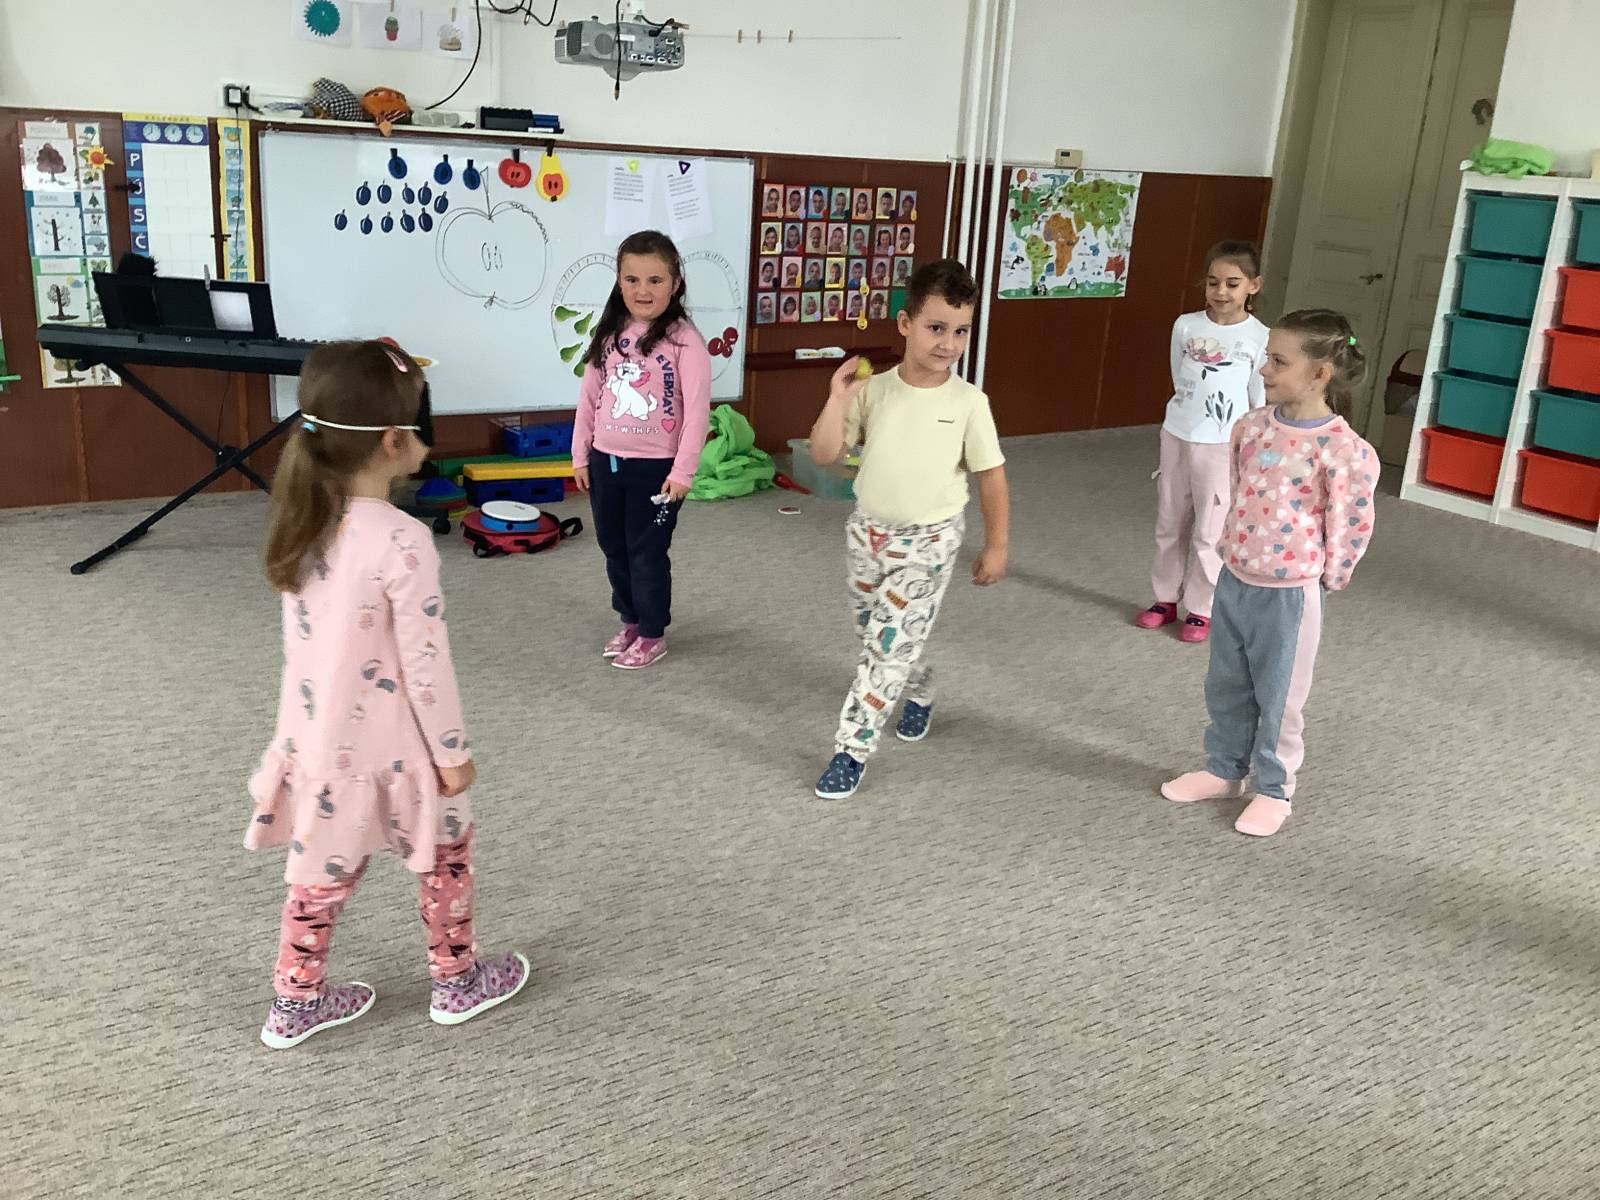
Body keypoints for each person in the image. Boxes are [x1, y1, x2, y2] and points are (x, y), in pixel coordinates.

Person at [248, 340, 529, 1049]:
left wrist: (295, 740)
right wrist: (452, 754)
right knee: (445, 856)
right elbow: (425, 665)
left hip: (319, 739)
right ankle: (456, 981)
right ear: (394, 441)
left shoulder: (302, 517)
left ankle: (294, 1001)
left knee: (320, 874)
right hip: (403, 747)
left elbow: (304, 650)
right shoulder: (402, 540)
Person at [1161, 309, 1377, 838]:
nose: (1264, 370)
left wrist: (1331, 576)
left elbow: (1350, 522)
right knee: (1227, 684)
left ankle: (1274, 790)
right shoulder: (1251, 427)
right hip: (1235, 578)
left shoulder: (1345, 450)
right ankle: (1224, 769)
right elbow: (1237, 490)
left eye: (1278, 361)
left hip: (1290, 595)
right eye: (1265, 358)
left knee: (1279, 697)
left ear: (1319, 373)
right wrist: (1230, 551)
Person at [805, 260, 1009, 800]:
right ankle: (920, 687)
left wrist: (996, 545)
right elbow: (824, 454)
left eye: (960, 331)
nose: (948, 343)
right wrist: (838, 397)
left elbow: (991, 476)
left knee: (884, 651)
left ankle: (851, 750)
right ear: (905, 323)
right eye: (936, 327)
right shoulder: (873, 391)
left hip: (929, 543)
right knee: (876, 634)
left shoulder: (969, 404)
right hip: (867, 535)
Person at [573, 230, 712, 670]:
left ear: (675, 284)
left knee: (646, 552)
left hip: (656, 471)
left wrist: (683, 472)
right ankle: (631, 621)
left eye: (655, 280)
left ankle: (652, 633)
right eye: (631, 279)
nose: (642, 290)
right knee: (613, 547)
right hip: (605, 461)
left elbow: (697, 413)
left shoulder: (686, 341)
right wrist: (580, 455)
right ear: (619, 282)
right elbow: (589, 397)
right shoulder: (610, 335)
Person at [1136, 241, 1269, 643]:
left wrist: (1251, 447)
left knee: (1211, 529)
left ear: (1253, 285)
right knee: (1170, 520)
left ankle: (1201, 607)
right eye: (1213, 282)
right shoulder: (1186, 325)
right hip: (1178, 433)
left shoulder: (1259, 336)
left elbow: (1257, 396)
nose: (1221, 291)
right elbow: (1180, 375)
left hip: (1222, 444)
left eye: (1232, 283)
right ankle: (1164, 598)